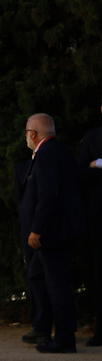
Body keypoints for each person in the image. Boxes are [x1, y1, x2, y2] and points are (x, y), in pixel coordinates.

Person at [18, 113, 84, 353]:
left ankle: (65, 338)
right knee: (37, 275)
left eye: (26, 132)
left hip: (52, 233)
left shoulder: (45, 155)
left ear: (33, 133)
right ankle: (43, 327)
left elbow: (47, 196)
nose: (25, 138)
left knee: (57, 285)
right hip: (61, 229)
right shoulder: (61, 151)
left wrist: (37, 229)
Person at [78, 97, 102, 347]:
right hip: (99, 217)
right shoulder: (92, 137)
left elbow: (90, 168)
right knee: (99, 273)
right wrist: (91, 167)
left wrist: (100, 163)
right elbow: (81, 172)